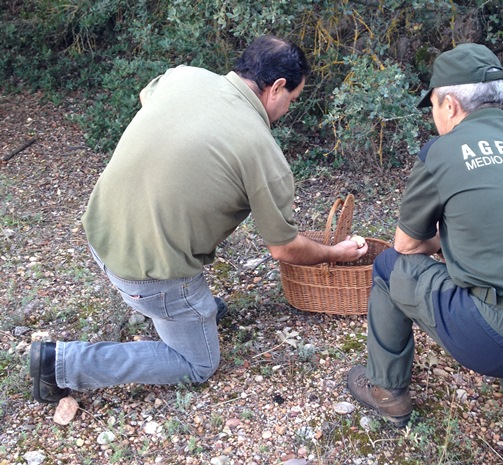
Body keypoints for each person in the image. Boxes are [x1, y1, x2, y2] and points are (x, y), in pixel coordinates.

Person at [30, 35, 368, 404]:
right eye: (292, 99)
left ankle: (189, 312)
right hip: (147, 276)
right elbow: (284, 248)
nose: (288, 109)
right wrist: (335, 252)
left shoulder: (183, 77)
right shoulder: (261, 151)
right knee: (198, 363)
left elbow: (148, 98)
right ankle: (61, 364)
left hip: (99, 234)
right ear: (277, 88)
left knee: (191, 301)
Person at [346, 43, 503, 465]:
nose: (433, 115)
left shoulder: (444, 151)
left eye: (431, 106)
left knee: (390, 267)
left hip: (494, 339)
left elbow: (406, 245)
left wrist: (447, 241)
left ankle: (386, 391)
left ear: (448, 104)